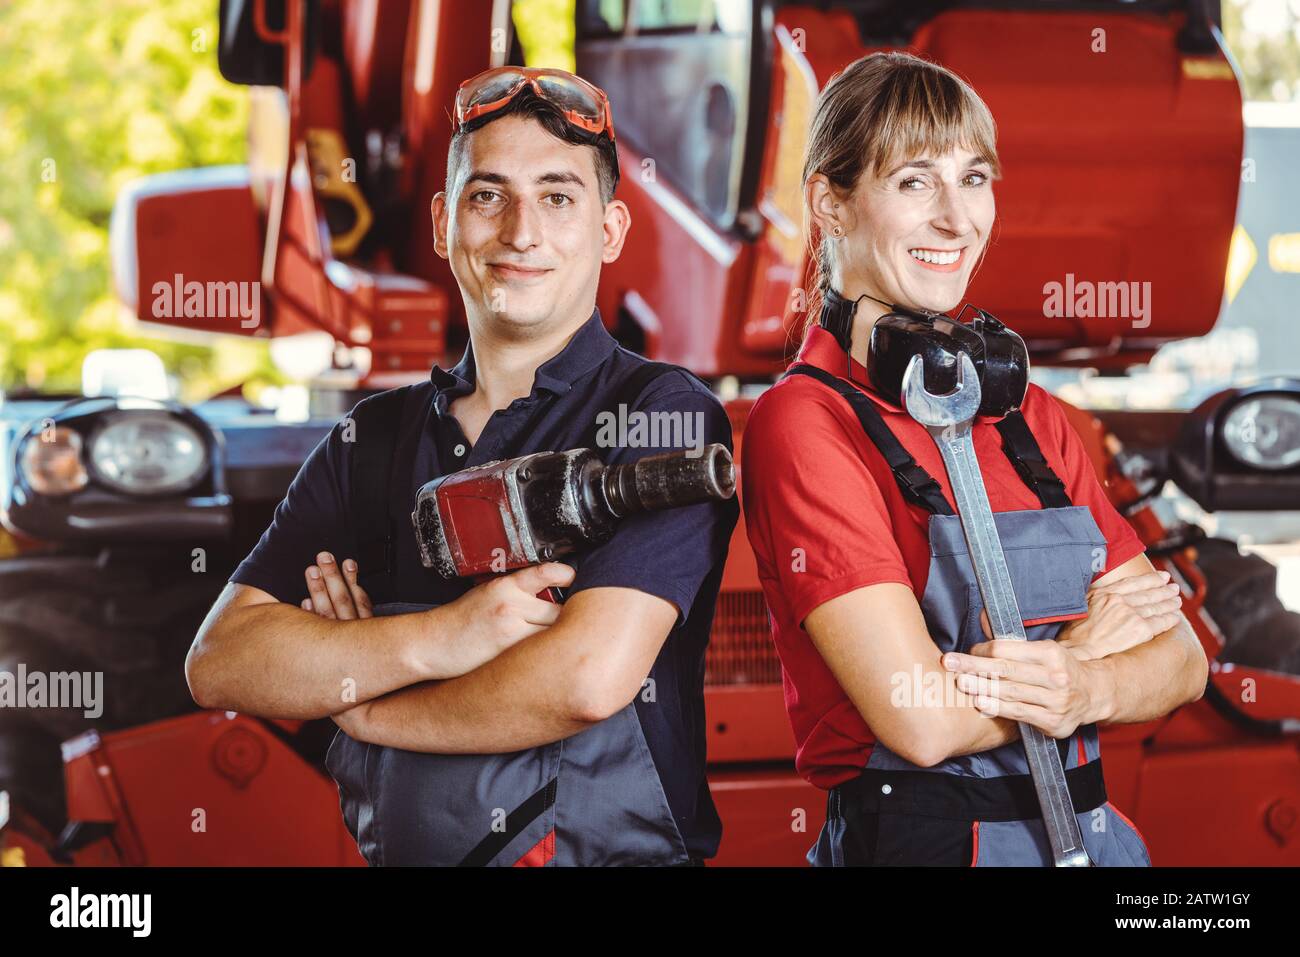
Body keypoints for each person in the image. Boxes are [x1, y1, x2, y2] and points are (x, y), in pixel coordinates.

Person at [186, 67, 738, 866]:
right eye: (489, 196)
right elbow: (222, 660)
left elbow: (586, 678)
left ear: (610, 230)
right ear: (446, 222)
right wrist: (442, 639)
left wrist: (365, 700)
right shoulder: (371, 439)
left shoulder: (660, 418)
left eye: (558, 196)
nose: (521, 232)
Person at [740, 52, 1208, 866]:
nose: (958, 219)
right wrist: (1089, 650)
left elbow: (1185, 659)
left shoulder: (1029, 416)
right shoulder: (804, 423)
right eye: (916, 182)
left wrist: (1084, 687)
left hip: (1094, 844)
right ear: (831, 202)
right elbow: (918, 719)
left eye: (975, 178)